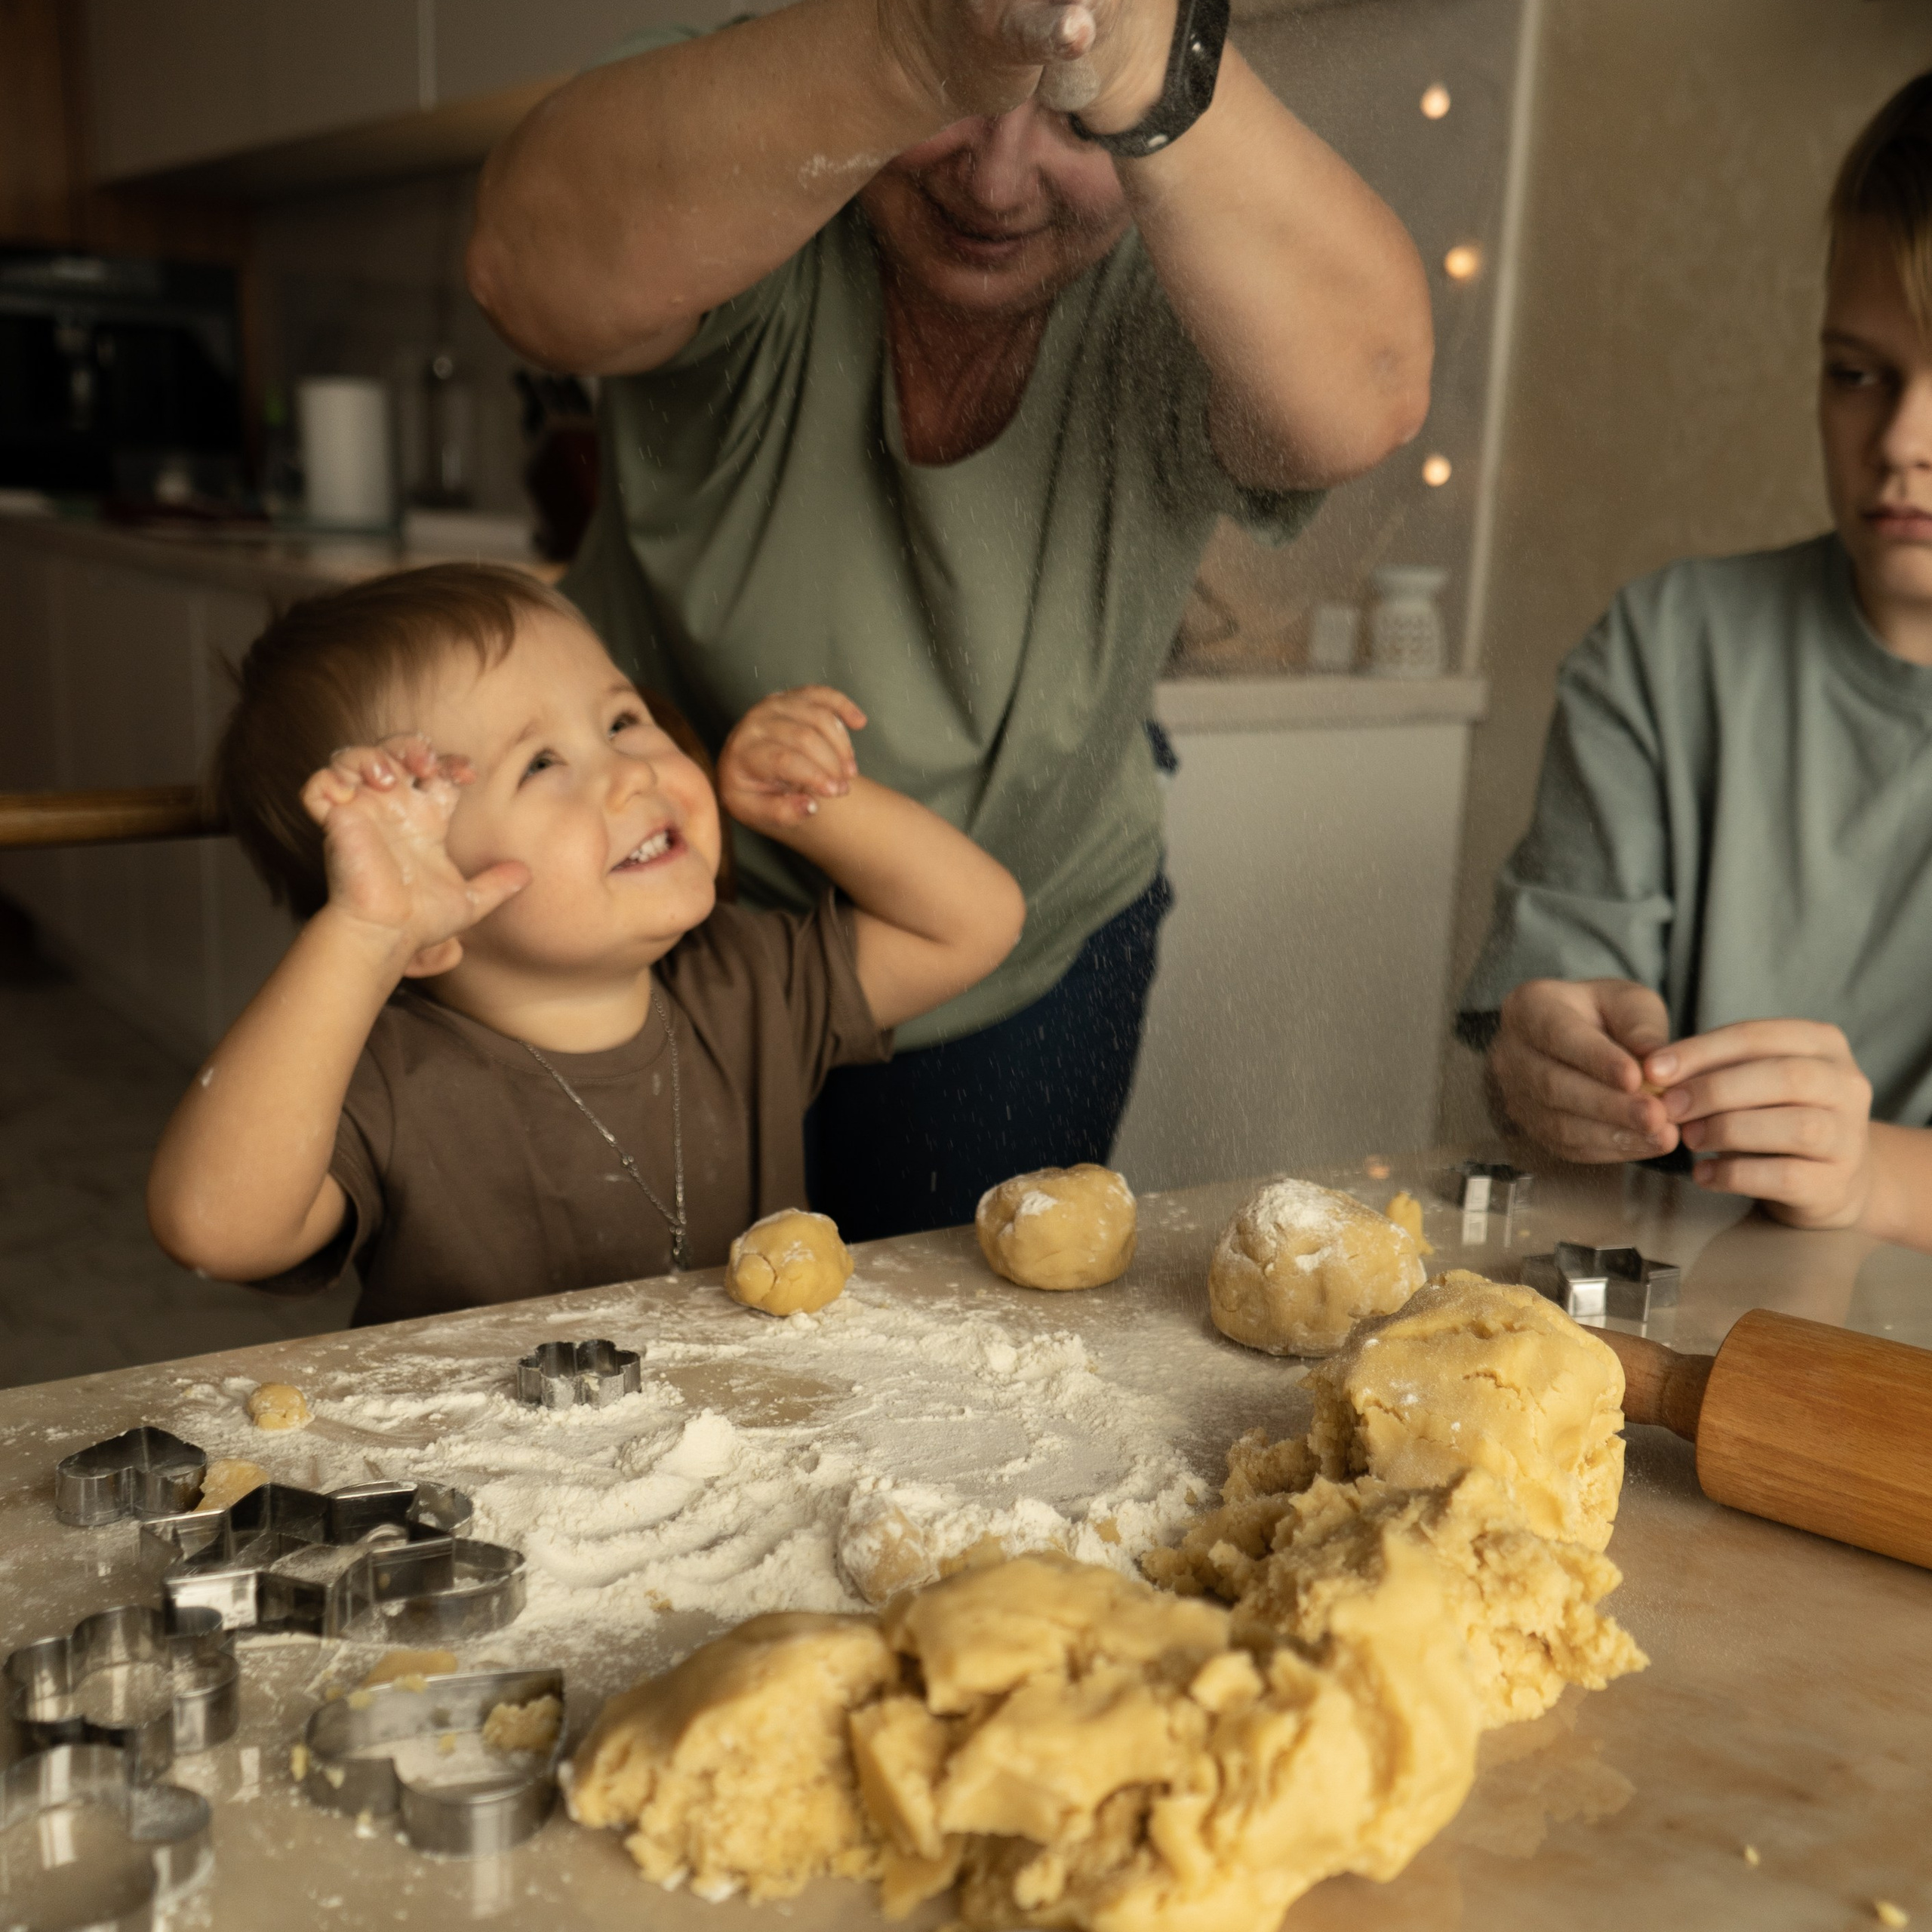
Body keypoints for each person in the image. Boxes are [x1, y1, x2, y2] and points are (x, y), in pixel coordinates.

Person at [466, 0, 1432, 1238]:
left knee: (964, 1369)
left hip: (1032, 946)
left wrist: (1137, 54)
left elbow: (1369, 399)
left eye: (1077, 121)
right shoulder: (770, 143)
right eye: (963, 101)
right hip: (649, 923)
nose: (1000, 180)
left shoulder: (1185, 267)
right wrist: (922, 45)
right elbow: (524, 271)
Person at [146, 565, 1023, 1323]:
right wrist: (363, 935)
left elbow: (973, 922)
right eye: (540, 764)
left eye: (621, 721)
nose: (632, 770)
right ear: (420, 892)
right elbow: (214, 1227)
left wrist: (805, 804)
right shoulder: (389, 1080)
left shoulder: (744, 979)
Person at [1459, 72, 1932, 1253]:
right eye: (1856, 374)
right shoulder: (1664, 651)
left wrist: (1868, 1177)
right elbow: (1529, 1082)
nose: (1903, 443)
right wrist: (1542, 1069)